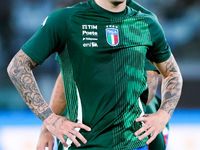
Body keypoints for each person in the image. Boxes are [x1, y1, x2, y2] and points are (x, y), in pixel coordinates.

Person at [7, 0, 183, 149]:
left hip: (134, 142)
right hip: (83, 143)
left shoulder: (145, 22)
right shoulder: (67, 20)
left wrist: (164, 114)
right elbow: (22, 67)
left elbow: (167, 74)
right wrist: (49, 123)